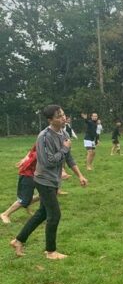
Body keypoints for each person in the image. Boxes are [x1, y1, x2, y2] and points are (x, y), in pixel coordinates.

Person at [10, 105, 88, 259]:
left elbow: (68, 157)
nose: (63, 118)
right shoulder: (44, 137)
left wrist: (80, 175)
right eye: (59, 116)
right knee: (54, 215)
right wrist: (64, 149)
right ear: (50, 120)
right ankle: (50, 252)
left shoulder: (64, 133)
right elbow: (49, 161)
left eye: (63, 114)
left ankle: (18, 241)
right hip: (44, 180)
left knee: (42, 213)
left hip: (54, 180)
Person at [1, 144, 40, 224]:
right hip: (28, 175)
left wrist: (25, 159)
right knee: (24, 199)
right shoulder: (43, 142)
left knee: (44, 194)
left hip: (36, 175)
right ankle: (5, 214)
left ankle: (27, 204)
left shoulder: (46, 143)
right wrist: (25, 161)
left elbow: (32, 150)